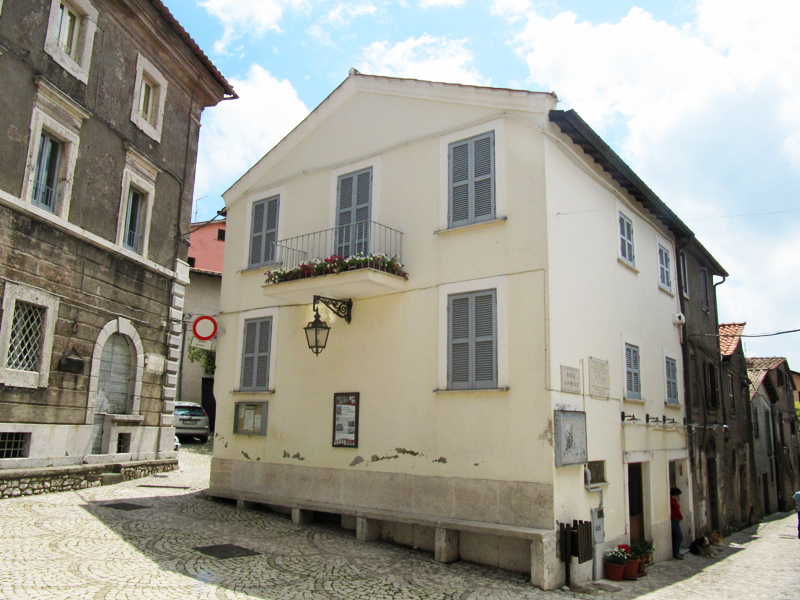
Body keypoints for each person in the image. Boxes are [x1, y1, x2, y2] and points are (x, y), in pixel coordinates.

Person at [671, 487, 684, 559]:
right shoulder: (671, 501)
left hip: (676, 520)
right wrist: (675, 517)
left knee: (676, 537)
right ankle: (676, 553)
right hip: (674, 521)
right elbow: (671, 511)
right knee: (679, 536)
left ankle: (677, 552)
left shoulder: (674, 501)